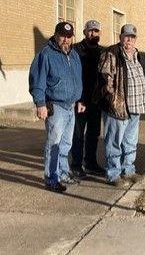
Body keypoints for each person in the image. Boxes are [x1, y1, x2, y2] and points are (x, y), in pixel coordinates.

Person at [29, 22, 84, 192]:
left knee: (66, 144)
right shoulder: (46, 54)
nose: (66, 40)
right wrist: (40, 104)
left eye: (69, 36)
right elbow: (37, 81)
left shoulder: (74, 55)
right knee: (54, 143)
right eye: (62, 36)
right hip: (56, 106)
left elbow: (77, 79)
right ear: (55, 35)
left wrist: (79, 99)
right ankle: (51, 178)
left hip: (71, 106)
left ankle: (63, 172)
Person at [98, 24, 145, 188]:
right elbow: (105, 78)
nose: (129, 40)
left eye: (132, 37)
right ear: (120, 37)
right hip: (118, 107)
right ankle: (113, 173)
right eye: (126, 36)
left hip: (136, 107)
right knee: (114, 141)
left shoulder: (137, 55)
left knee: (130, 141)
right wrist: (112, 98)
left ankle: (128, 170)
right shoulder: (111, 53)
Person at [70, 20, 105, 177]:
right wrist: (78, 99)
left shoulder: (102, 52)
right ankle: (76, 165)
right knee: (78, 134)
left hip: (96, 101)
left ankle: (91, 162)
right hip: (80, 101)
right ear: (84, 32)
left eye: (96, 31)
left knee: (93, 133)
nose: (93, 34)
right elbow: (72, 76)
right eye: (90, 31)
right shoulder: (76, 50)